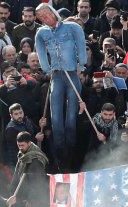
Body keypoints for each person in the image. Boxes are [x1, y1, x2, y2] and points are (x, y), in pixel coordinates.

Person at [34, 3, 87, 170]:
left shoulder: (72, 27)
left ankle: (71, 152)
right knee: (56, 118)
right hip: (56, 75)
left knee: (71, 117)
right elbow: (40, 49)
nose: (45, 19)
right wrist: (46, 68)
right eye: (41, 18)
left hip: (71, 74)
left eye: (46, 15)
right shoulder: (42, 32)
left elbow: (81, 44)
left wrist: (82, 64)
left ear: (53, 12)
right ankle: (59, 155)